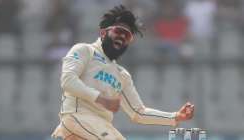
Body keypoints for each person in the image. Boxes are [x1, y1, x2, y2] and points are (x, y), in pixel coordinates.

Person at [51, 5, 194, 140]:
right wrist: (101, 99)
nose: (123, 37)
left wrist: (175, 117)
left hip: (101, 127)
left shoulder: (122, 75)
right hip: (78, 117)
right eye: (119, 31)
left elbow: (138, 113)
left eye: (128, 36)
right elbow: (68, 81)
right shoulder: (84, 50)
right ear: (103, 32)